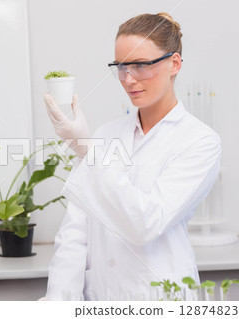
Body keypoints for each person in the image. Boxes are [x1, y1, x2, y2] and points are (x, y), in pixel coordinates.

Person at [39, 12, 222, 301]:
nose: (128, 79)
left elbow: (146, 223)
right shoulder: (105, 135)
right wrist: (59, 303)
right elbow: (75, 233)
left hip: (161, 297)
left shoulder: (199, 141)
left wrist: (89, 150)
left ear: (174, 63)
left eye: (140, 65)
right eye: (121, 67)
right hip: (101, 298)